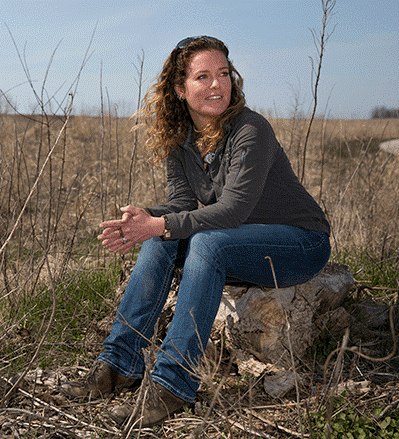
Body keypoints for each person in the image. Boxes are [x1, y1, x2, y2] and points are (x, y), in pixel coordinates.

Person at [60, 35, 331, 428]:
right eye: (202, 76)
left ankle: (172, 385)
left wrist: (162, 223)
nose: (217, 84)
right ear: (180, 89)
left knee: (205, 242)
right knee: (160, 239)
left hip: (300, 244)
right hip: (242, 244)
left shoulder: (251, 129)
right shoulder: (180, 137)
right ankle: (118, 365)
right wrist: (143, 222)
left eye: (223, 74)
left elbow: (233, 210)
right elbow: (182, 207)